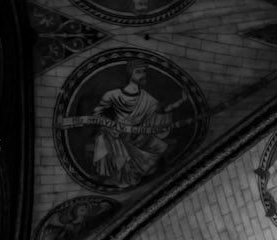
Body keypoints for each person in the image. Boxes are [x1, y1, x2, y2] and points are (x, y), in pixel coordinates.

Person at [60, 63, 193, 186]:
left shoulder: (146, 97)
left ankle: (135, 173)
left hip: (137, 134)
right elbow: (97, 114)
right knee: (106, 138)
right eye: (139, 71)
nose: (143, 75)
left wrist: (181, 101)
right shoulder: (113, 94)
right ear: (131, 74)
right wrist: (110, 126)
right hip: (117, 133)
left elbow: (161, 110)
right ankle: (117, 176)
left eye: (144, 72)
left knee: (159, 146)